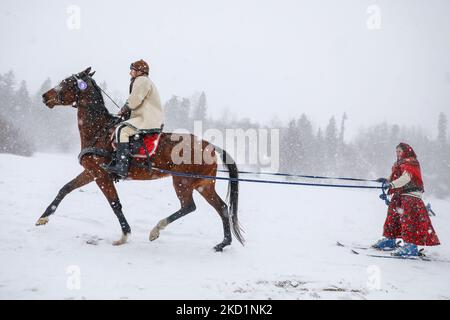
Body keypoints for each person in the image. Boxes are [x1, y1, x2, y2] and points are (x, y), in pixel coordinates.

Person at [373, 143, 440, 256]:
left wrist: (392, 185)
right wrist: (386, 180)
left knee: (408, 221)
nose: (398, 154)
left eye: (400, 151)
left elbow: (405, 178)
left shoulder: (411, 163)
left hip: (411, 195)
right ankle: (390, 239)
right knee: (392, 216)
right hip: (400, 194)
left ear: (406, 152)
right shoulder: (399, 164)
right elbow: (395, 177)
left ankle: (411, 246)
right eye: (396, 152)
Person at [104, 59, 164, 177]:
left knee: (122, 131)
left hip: (147, 119)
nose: (130, 73)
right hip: (146, 117)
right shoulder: (144, 81)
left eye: (132, 70)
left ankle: (122, 166)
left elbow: (135, 100)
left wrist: (124, 109)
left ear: (139, 71)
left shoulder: (141, 80)